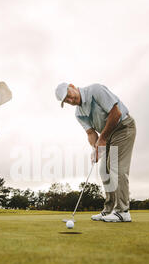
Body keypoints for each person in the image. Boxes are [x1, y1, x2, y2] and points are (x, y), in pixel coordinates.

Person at [55, 83, 136, 222]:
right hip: (109, 135)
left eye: (68, 95)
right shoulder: (79, 114)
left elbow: (116, 113)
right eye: (66, 100)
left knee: (116, 168)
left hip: (123, 128)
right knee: (104, 170)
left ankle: (123, 211)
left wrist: (103, 139)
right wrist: (95, 149)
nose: (69, 100)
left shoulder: (95, 90)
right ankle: (109, 209)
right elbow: (91, 133)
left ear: (72, 86)